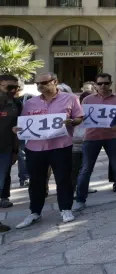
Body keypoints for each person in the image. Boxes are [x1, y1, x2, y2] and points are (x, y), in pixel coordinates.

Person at [13, 71, 84, 228]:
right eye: (38, 83)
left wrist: (71, 122)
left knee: (63, 179)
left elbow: (80, 117)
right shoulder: (31, 103)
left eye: (44, 83)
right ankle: (35, 212)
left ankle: (65, 209)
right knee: (36, 182)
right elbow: (25, 123)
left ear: (55, 82)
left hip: (61, 147)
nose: (40, 86)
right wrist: (18, 129)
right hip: (35, 148)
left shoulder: (71, 99)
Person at [74, 73, 116, 210]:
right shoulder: (87, 100)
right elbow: (80, 117)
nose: (103, 86)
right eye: (100, 83)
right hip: (92, 137)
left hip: (114, 137)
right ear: (96, 85)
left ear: (111, 83)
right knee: (85, 169)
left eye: (106, 83)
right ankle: (80, 199)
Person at [0, 75, 22, 228]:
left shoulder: (16, 104)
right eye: (9, 87)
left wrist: (15, 151)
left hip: (5, 151)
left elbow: (17, 128)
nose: (13, 90)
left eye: (16, 87)